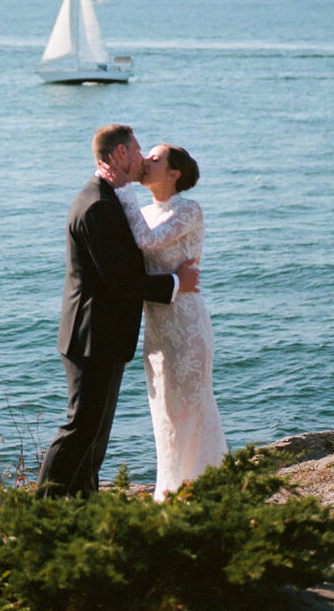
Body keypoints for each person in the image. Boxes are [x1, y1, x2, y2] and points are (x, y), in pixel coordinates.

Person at [36, 124, 200, 497]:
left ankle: (81, 505)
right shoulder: (98, 206)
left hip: (103, 335)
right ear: (122, 153)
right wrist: (176, 283)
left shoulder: (110, 199)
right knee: (80, 429)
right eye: (139, 151)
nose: (142, 159)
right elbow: (121, 282)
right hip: (92, 335)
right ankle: (41, 510)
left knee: (93, 436)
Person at [114, 143, 226, 500]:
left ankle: (197, 491)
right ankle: (176, 490)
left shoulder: (189, 210)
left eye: (155, 158)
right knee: (165, 415)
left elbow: (146, 241)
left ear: (174, 174)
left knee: (191, 414)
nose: (145, 161)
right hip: (157, 329)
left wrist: (122, 189)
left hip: (188, 326)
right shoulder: (144, 210)